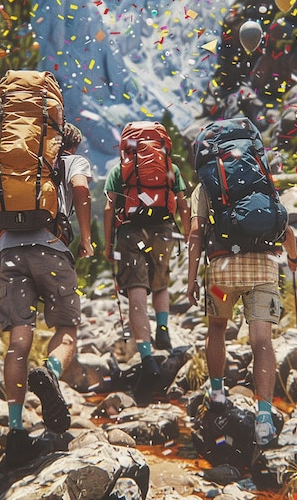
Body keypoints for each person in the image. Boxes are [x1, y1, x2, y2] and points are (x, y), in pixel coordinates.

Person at [0, 123, 93, 468]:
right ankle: (51, 372)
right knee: (66, 328)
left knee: (18, 340)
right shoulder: (70, 162)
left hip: (9, 253)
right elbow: (81, 191)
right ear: (68, 144)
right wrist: (85, 238)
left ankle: (15, 431)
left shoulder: (10, 167)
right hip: (52, 248)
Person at [187, 180, 297, 448]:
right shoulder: (260, 178)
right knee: (262, 341)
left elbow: (195, 233)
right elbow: (286, 231)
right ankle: (264, 419)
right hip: (263, 272)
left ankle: (216, 393)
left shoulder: (205, 185)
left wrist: (191, 280)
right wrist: (293, 260)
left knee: (217, 329)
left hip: (221, 275)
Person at [103, 127, 191, 405]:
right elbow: (184, 203)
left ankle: (146, 356)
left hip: (130, 233)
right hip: (163, 230)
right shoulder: (171, 167)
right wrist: (188, 234)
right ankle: (162, 329)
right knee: (160, 282)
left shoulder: (122, 169)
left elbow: (109, 207)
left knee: (136, 291)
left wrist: (107, 244)